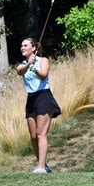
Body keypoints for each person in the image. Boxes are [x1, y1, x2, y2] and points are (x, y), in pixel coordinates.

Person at [17, 38, 61, 174]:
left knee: (41, 134)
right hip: (31, 99)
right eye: (21, 45)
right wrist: (28, 65)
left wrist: (34, 68)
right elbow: (20, 71)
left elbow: (43, 75)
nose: (22, 47)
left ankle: (41, 168)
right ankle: (43, 164)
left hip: (43, 97)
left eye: (25, 45)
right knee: (33, 136)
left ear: (34, 48)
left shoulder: (43, 61)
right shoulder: (21, 65)